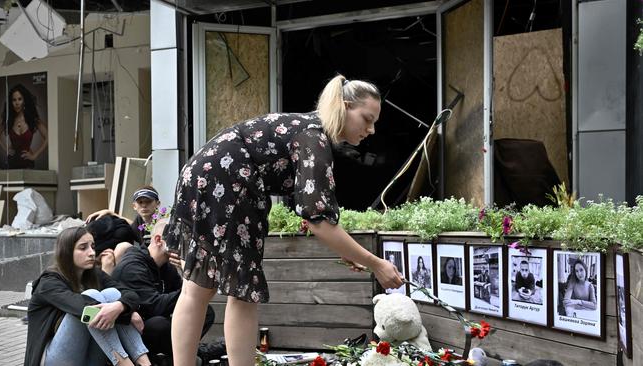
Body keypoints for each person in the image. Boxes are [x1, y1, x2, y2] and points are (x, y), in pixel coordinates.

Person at [165, 74, 403, 366]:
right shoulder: (313, 137)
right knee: (242, 293)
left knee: (197, 289)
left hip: (202, 174)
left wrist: (349, 251)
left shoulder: (306, 128)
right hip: (229, 182)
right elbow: (319, 219)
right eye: (367, 118)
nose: (371, 129)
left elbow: (306, 209)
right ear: (345, 106)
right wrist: (375, 263)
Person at [24, 226, 151, 366]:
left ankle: (144, 362)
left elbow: (130, 294)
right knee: (92, 299)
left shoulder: (94, 274)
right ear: (66, 251)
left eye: (92, 246)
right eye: (83, 248)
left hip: (88, 356)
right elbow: (82, 307)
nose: (91, 253)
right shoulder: (48, 282)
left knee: (112, 294)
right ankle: (124, 362)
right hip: (53, 359)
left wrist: (122, 306)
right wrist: (127, 312)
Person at [111, 218, 218, 363]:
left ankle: (181, 354)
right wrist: (193, 290)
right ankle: (184, 355)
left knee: (204, 311)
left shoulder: (166, 267)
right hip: (135, 330)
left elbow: (185, 299)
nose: (184, 246)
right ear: (159, 240)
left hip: (158, 322)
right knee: (159, 324)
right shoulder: (133, 266)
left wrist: (186, 274)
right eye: (178, 240)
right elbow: (155, 306)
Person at [0, 84, 48, 169]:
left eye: (19, 99)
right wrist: (6, 149)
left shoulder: (32, 119)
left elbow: (47, 137)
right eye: (14, 100)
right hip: (11, 164)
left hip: (28, 164)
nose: (17, 103)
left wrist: (35, 155)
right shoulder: (9, 120)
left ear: (24, 100)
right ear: (11, 102)